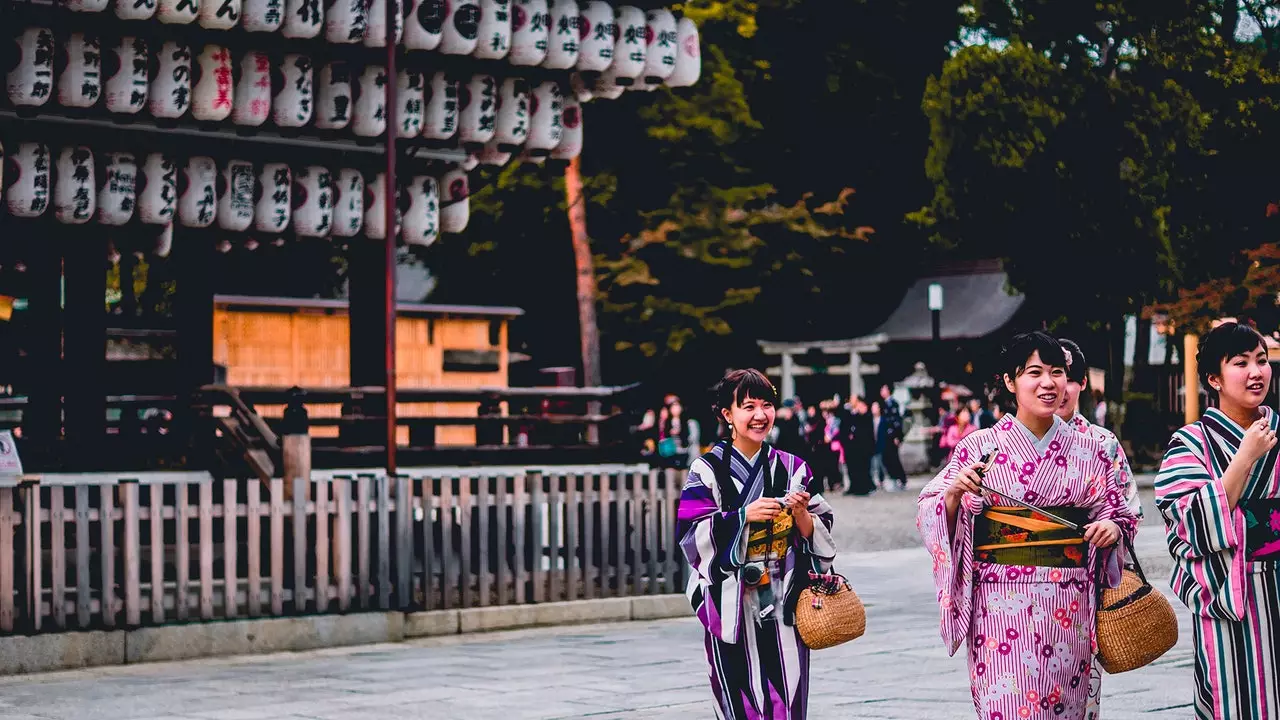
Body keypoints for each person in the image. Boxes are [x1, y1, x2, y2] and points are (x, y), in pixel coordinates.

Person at [918, 331, 1139, 719]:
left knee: (1065, 707)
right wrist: (954, 495)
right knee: (1009, 706)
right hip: (1000, 606)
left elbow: (1118, 512)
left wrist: (1113, 529)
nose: (1048, 382)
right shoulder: (979, 446)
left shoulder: (1091, 450)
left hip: (1069, 604)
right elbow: (932, 506)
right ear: (1009, 380)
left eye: (1057, 372)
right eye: (1034, 372)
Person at [676, 369, 837, 720]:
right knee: (737, 698)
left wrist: (802, 517)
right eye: (748, 406)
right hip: (731, 601)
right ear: (726, 414)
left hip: (784, 600)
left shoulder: (793, 468)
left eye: (767, 405)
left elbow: (822, 529)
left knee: (787, 696)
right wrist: (742, 516)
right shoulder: (706, 470)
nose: (760, 415)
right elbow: (691, 534)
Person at [1155, 322, 1280, 719]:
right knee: (1239, 698)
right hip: (1233, 592)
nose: (1256, 372)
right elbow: (1188, 521)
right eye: (1240, 363)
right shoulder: (1190, 444)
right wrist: (1245, 457)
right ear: (1214, 378)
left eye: (1261, 361)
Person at [1057, 338, 1141, 521]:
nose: (1060, 389)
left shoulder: (1104, 442)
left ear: (1083, 382)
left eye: (1070, 380)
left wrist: (1114, 526)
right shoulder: (1001, 442)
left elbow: (1129, 510)